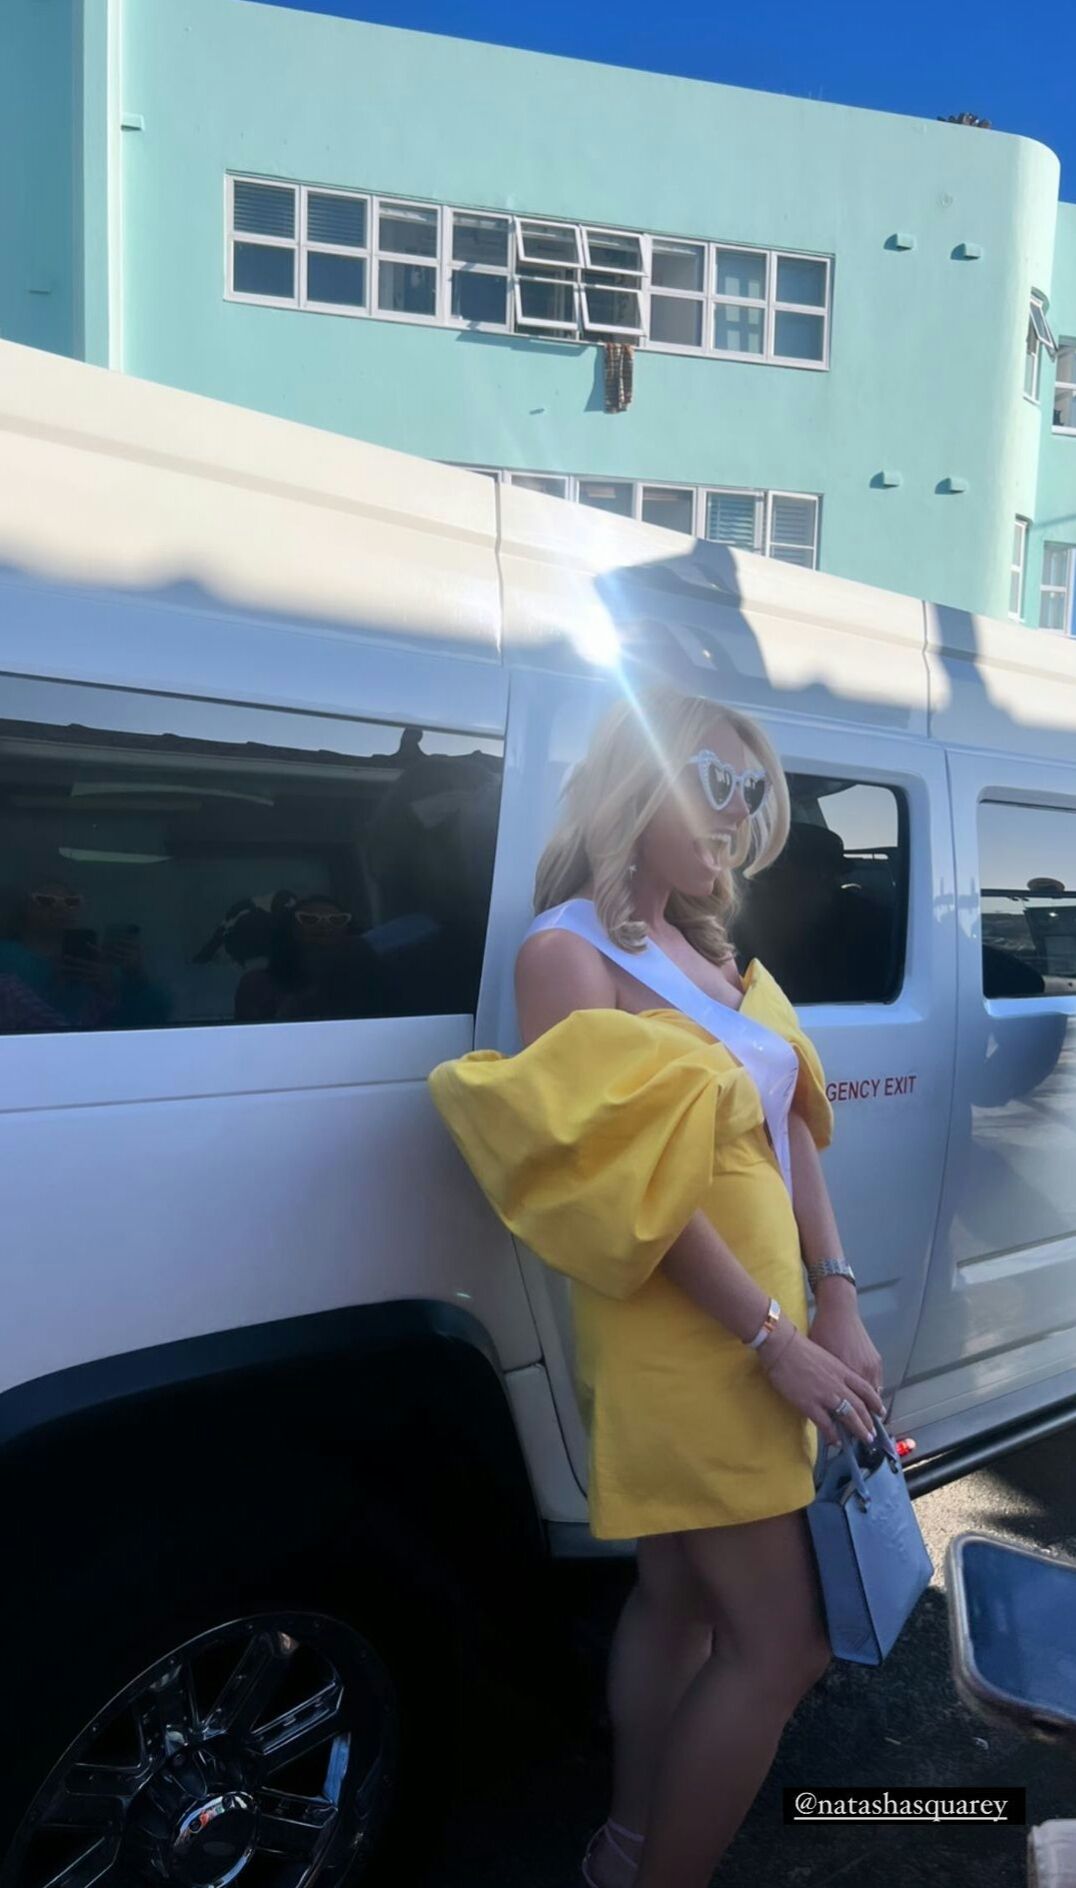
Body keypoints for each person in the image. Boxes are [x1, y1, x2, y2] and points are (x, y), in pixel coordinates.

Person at [428, 685, 885, 1888]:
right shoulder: (565, 952)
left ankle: (627, 1849)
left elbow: (790, 1135)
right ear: (635, 780)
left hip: (770, 1322)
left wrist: (835, 1296)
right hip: (692, 1342)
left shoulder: (708, 952)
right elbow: (623, 1186)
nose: (735, 813)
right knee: (781, 1646)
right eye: (711, 782)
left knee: (678, 1598)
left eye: (752, 791)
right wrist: (774, 1339)